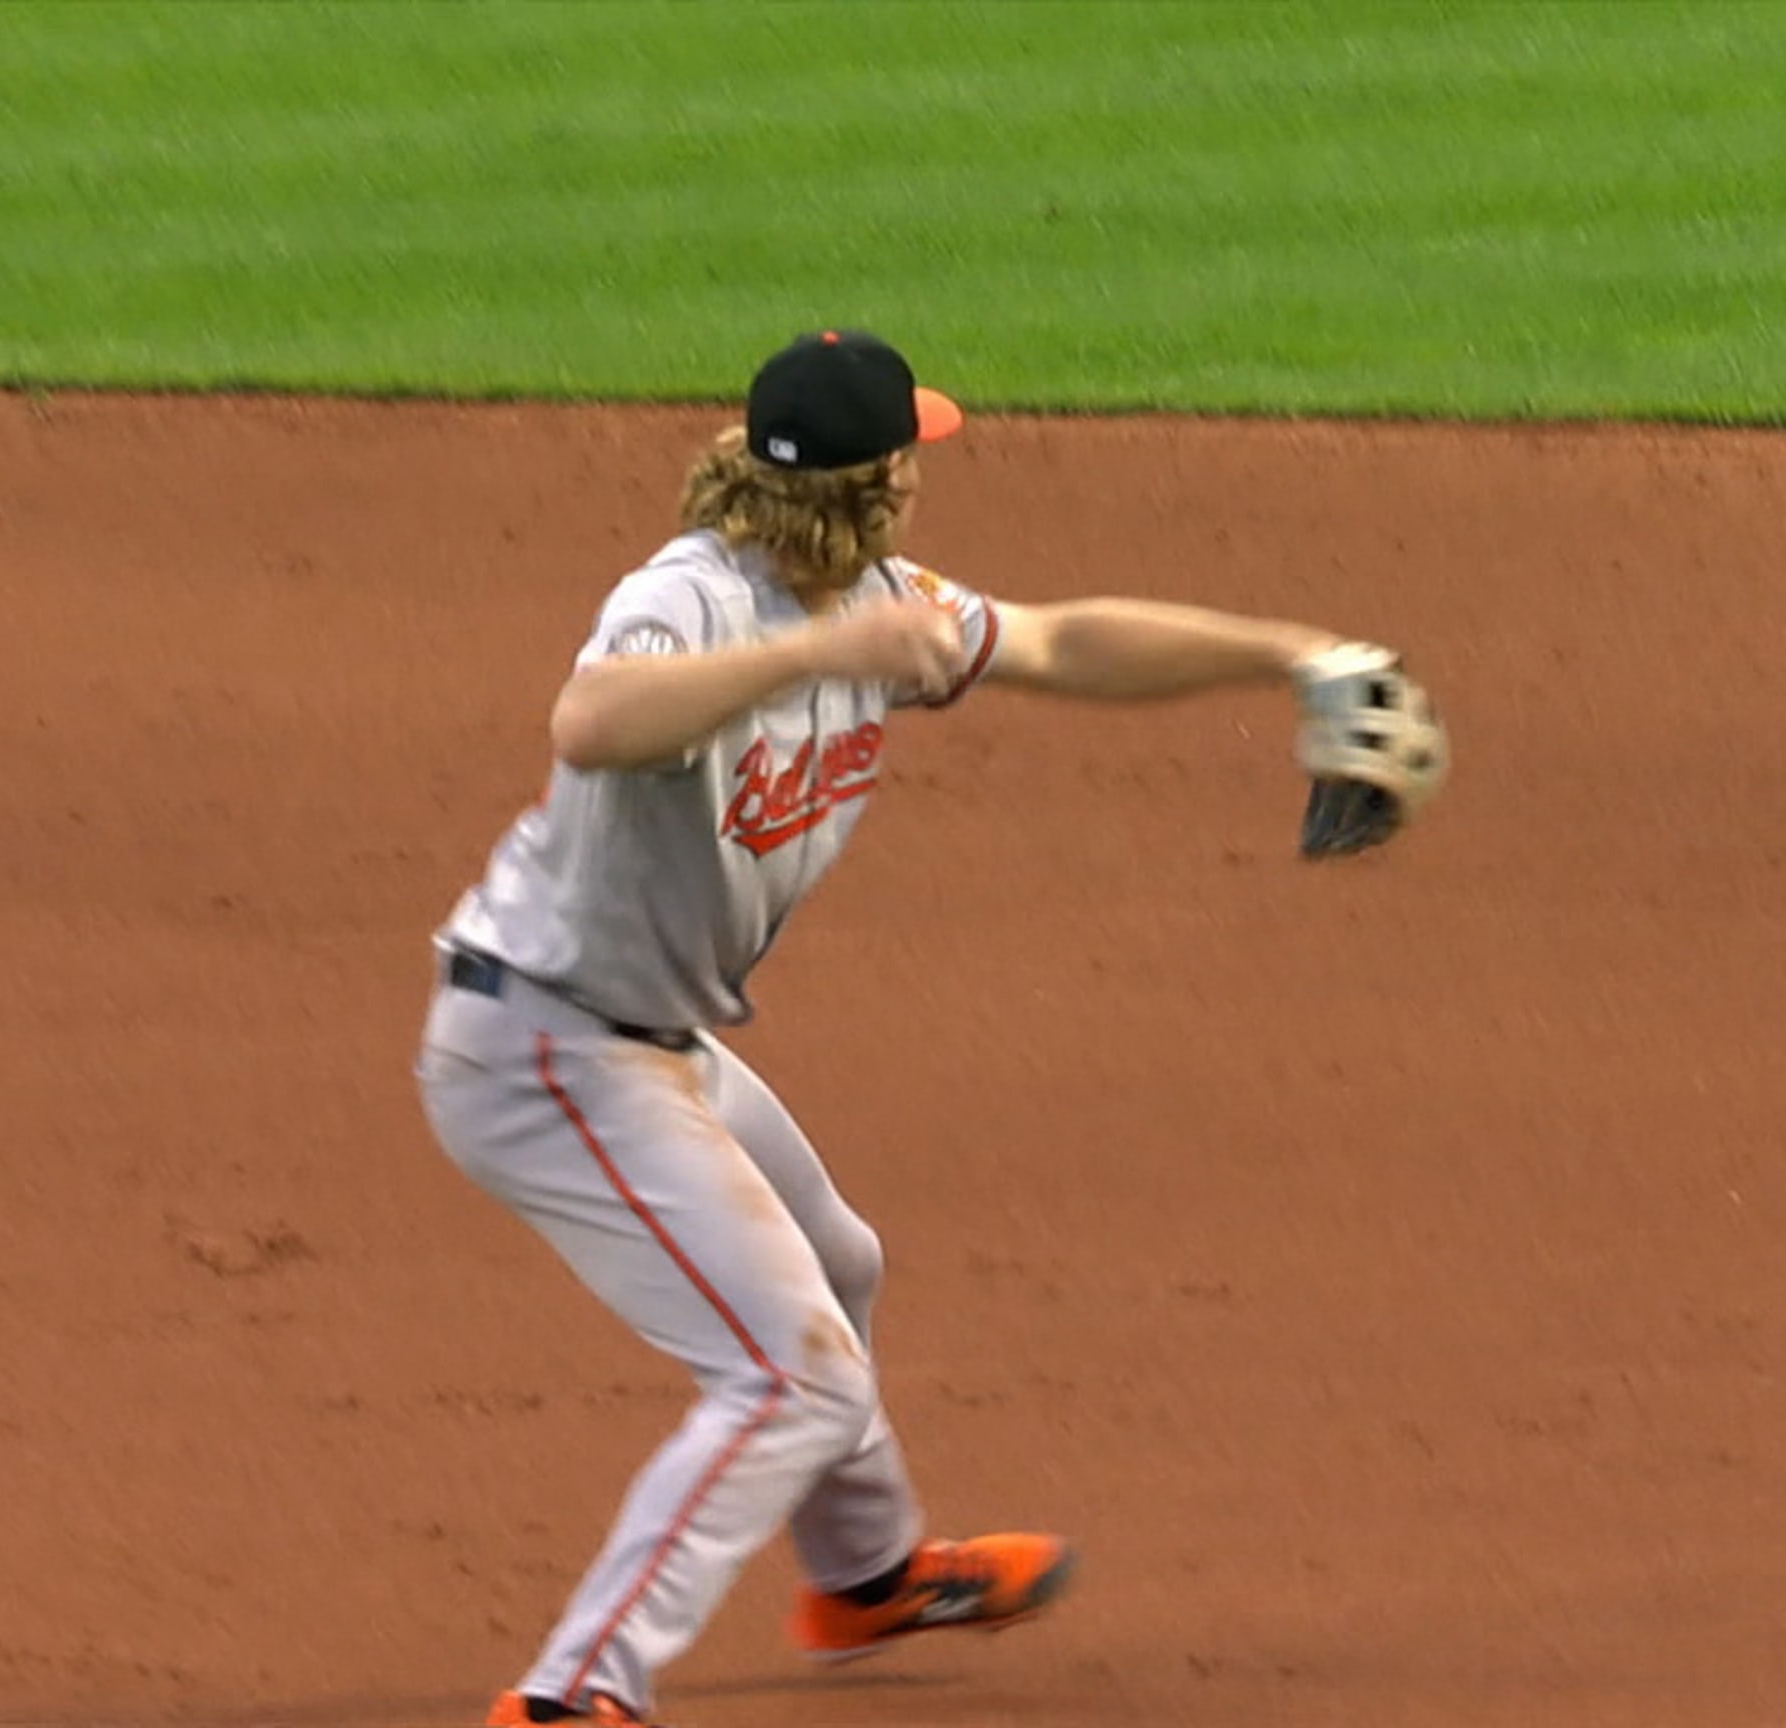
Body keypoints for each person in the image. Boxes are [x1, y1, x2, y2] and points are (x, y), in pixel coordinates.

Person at [415, 330, 1448, 1727]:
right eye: (915, 455)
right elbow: (592, 721)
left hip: (653, 1042)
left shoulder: (886, 601)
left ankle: (865, 1576)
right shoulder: (692, 600)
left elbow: (1063, 638)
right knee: (788, 1369)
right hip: (544, 1051)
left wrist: (1293, 653)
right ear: (878, 478)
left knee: (838, 1264)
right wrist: (828, 652)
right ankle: (574, 1695)